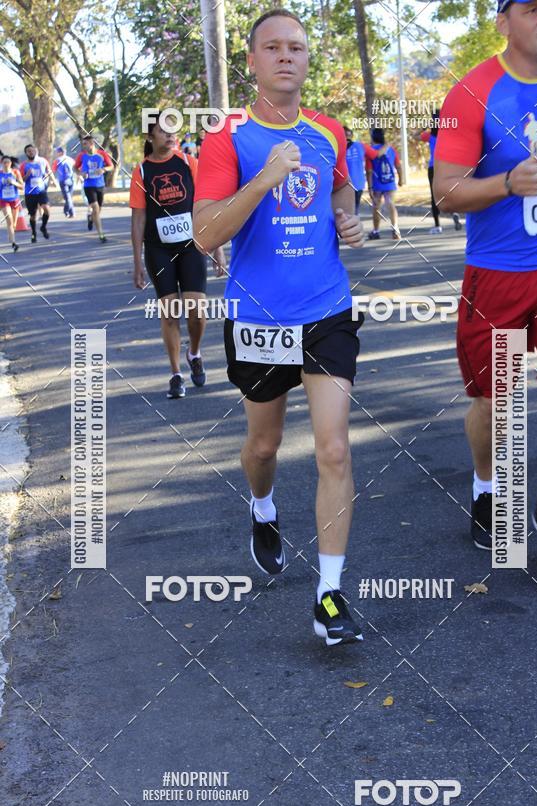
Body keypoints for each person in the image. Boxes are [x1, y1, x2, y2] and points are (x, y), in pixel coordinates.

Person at [194, 7, 366, 646]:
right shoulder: (226, 137)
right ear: (252, 62)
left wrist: (346, 221)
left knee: (334, 448)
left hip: (326, 308)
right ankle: (263, 509)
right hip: (258, 316)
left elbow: (338, 191)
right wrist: (265, 177)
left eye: (296, 47)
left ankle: (330, 594)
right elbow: (206, 232)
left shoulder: (329, 132)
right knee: (264, 447)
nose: (286, 56)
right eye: (273, 47)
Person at [434, 0, 537, 572]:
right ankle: (487, 487)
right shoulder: (470, 93)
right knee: (496, 405)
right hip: (498, 274)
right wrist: (505, 182)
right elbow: (445, 192)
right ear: (503, 22)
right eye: (532, 9)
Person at [130, 117, 226, 398]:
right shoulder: (142, 171)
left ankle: (194, 353)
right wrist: (137, 263)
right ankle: (175, 374)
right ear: (150, 136)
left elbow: (206, 204)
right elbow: (138, 220)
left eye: (174, 131)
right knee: (170, 312)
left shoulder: (188, 163)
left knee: (197, 311)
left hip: (191, 246)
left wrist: (217, 245)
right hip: (159, 249)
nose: (170, 136)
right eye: (163, 131)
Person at [419, 111, 461, 234]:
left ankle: (437, 225)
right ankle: (454, 212)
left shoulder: (429, 136)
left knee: (434, 196)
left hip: (433, 167)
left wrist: (425, 126)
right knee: (448, 192)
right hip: (446, 166)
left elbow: (416, 135)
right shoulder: (447, 134)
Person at [74, 135, 113, 242]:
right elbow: (75, 168)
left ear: (92, 143)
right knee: (95, 208)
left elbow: (111, 166)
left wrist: (103, 169)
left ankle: (91, 218)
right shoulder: (81, 156)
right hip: (88, 185)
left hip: (100, 185)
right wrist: (81, 173)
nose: (84, 146)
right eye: (83, 144)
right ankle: (101, 234)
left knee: (98, 210)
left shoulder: (102, 154)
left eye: (85, 144)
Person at [366, 128, 402, 240]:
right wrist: (401, 179)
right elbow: (398, 165)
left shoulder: (370, 150)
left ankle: (376, 231)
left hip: (377, 183)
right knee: (390, 203)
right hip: (390, 182)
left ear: (373, 137)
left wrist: (370, 187)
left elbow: (369, 170)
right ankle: (395, 228)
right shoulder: (391, 149)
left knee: (377, 207)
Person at [20, 144, 55, 242]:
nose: (31, 152)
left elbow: (49, 171)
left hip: (41, 191)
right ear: (26, 153)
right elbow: (21, 180)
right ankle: (33, 233)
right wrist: (27, 175)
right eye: (28, 151)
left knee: (47, 209)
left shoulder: (42, 161)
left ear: (35, 151)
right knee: (33, 215)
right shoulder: (24, 165)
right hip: (30, 193)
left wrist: (53, 181)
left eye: (32, 150)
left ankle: (43, 227)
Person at [0, 154, 24, 251]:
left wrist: (13, 182)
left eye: (8, 162)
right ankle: (14, 243)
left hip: (14, 199)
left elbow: (22, 186)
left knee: (14, 223)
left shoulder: (15, 172)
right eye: (4, 162)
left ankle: (11, 235)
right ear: (2, 163)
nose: (6, 164)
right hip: (3, 200)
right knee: (9, 220)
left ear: (11, 163)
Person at [344, 126, 367, 214]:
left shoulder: (337, 147)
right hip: (358, 183)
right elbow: (375, 155)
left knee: (347, 209)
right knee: (354, 208)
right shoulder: (360, 146)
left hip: (345, 184)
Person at [52, 147, 75, 218]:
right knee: (69, 197)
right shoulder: (71, 159)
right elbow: (76, 167)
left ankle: (66, 210)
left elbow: (53, 170)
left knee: (68, 198)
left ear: (61, 152)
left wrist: (53, 180)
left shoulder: (57, 160)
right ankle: (72, 213)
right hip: (71, 180)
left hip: (63, 180)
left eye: (57, 152)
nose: (57, 154)